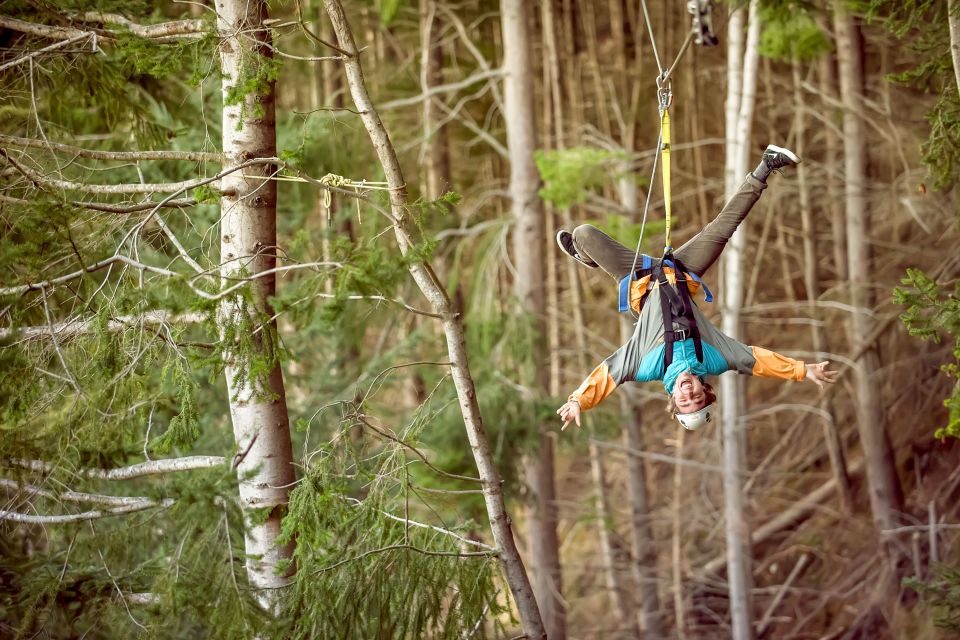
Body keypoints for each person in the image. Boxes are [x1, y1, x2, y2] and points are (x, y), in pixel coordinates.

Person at [555, 145, 838, 431]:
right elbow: (759, 361)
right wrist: (803, 370)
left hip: (641, 278)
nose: (689, 395)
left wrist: (579, 400)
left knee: (583, 234)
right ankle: (766, 165)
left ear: (672, 397)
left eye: (685, 402)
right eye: (697, 399)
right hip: (680, 271)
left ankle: (584, 254)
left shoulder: (643, 365)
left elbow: (607, 374)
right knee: (722, 228)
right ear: (705, 391)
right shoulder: (716, 357)